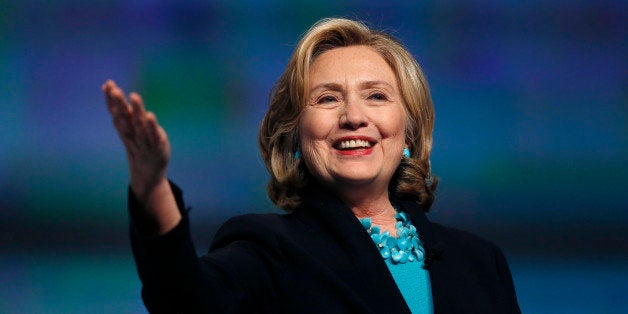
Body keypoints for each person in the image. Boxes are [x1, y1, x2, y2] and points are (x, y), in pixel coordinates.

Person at [103, 18, 520, 313]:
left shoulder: (481, 263)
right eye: (327, 98)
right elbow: (185, 299)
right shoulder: (269, 250)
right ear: (296, 134)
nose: (354, 116)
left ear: (409, 131)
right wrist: (151, 184)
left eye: (376, 96)